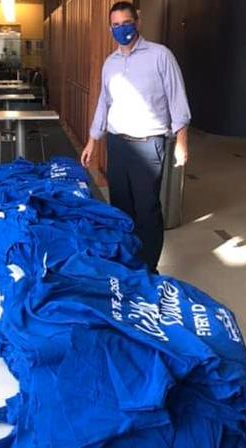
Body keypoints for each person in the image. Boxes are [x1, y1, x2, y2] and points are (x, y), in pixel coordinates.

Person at [81, 1, 191, 273]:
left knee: (147, 210)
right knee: (120, 207)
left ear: (137, 22)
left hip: (148, 146)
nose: (122, 29)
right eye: (116, 25)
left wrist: (181, 141)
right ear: (111, 28)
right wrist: (93, 140)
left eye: (126, 23)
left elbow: (178, 100)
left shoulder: (160, 56)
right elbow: (104, 104)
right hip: (117, 145)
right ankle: (127, 263)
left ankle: (148, 269)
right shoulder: (110, 63)